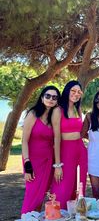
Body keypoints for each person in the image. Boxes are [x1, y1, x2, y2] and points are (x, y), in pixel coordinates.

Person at [21, 85, 60, 213]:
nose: (51, 99)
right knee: (32, 194)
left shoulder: (54, 117)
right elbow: (24, 141)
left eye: (54, 97)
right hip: (32, 161)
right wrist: (27, 163)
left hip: (48, 161)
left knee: (41, 195)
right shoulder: (33, 114)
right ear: (42, 97)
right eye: (48, 96)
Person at [51, 80, 88, 208]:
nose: (76, 94)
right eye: (73, 91)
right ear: (67, 91)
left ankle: (76, 214)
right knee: (63, 187)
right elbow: (56, 138)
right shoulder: (58, 110)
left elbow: (82, 132)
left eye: (79, 92)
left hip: (81, 150)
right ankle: (57, 213)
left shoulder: (78, 109)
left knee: (79, 185)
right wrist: (57, 165)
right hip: (65, 151)